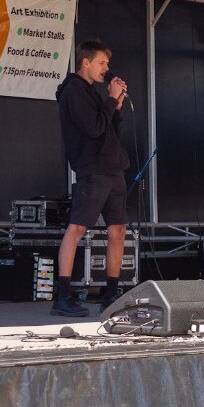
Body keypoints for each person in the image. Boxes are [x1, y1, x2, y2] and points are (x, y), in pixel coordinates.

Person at [53, 40, 130, 317]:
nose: (106, 69)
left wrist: (116, 107)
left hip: (113, 169)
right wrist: (110, 99)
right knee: (77, 229)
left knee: (118, 231)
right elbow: (94, 128)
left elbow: (110, 133)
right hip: (93, 171)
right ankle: (62, 296)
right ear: (86, 62)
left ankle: (111, 293)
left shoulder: (92, 93)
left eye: (107, 64)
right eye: (101, 63)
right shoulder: (73, 90)